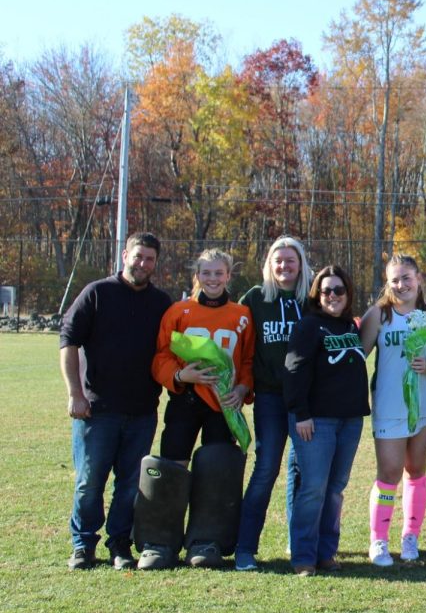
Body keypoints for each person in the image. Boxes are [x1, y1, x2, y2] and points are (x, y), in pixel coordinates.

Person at [60, 232, 173, 570]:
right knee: (88, 483)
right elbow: (68, 342)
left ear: (156, 263)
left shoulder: (161, 303)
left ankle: (119, 545)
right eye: (138, 256)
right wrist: (75, 393)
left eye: (150, 259)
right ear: (125, 254)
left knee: (129, 486)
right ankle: (83, 545)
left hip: (142, 411)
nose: (143, 264)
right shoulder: (97, 293)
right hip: (97, 410)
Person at [137, 248, 254, 570]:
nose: (213, 279)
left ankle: (207, 540)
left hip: (222, 404)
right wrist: (179, 375)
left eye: (219, 273)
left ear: (229, 275)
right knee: (172, 467)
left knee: (216, 470)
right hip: (185, 400)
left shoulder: (242, 314)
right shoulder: (178, 311)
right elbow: (161, 354)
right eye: (206, 273)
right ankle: (160, 542)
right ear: (197, 276)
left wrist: (242, 389)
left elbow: (246, 361)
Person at [284, 265, 370, 576]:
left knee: (335, 489)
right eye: (326, 291)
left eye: (339, 290)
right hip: (316, 421)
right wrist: (301, 414)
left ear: (348, 295)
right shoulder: (309, 326)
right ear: (317, 296)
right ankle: (303, 556)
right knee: (314, 488)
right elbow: (294, 370)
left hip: (350, 421)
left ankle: (326, 553)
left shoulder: (350, 327)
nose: (332, 295)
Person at [234, 236, 313, 571]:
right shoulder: (255, 298)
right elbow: (238, 344)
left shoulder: (311, 299)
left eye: (290, 260)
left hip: (305, 401)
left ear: (301, 263)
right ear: (269, 263)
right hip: (268, 397)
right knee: (266, 468)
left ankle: (300, 547)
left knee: (302, 471)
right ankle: (245, 548)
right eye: (278, 260)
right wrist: (240, 385)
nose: (284, 266)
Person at [359, 255, 426, 566]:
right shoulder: (378, 315)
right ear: (387, 282)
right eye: (394, 279)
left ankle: (411, 536)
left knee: (416, 470)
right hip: (390, 405)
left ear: (418, 278)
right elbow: (357, 358)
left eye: (406, 277)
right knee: (389, 473)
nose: (401, 285)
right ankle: (378, 540)